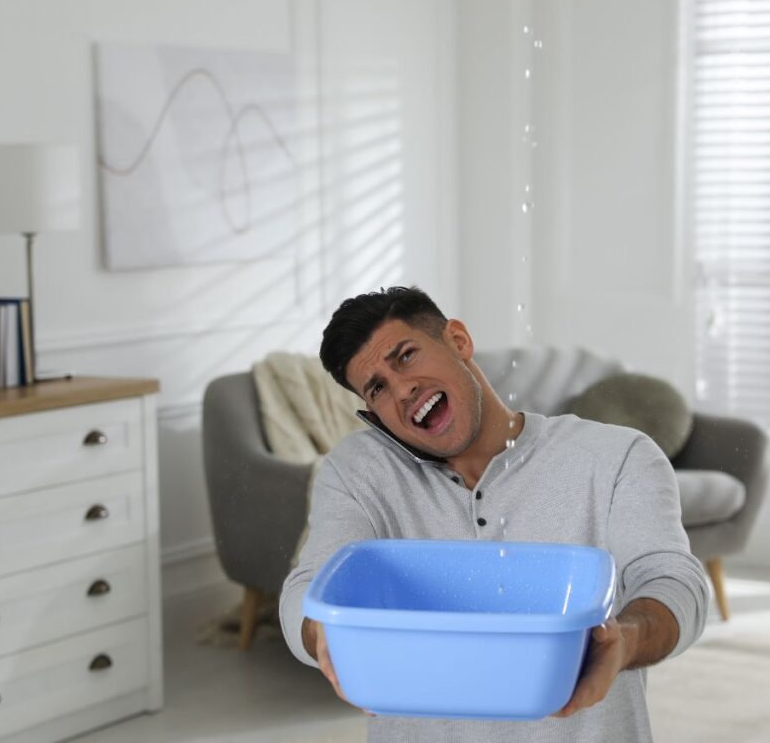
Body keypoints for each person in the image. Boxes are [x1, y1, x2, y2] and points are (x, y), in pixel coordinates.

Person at [279, 286, 708, 742]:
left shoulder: (615, 457)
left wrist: (625, 641)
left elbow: (673, 580)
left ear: (459, 341)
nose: (403, 390)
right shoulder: (359, 472)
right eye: (378, 387)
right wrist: (323, 630)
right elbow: (307, 587)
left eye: (405, 356)